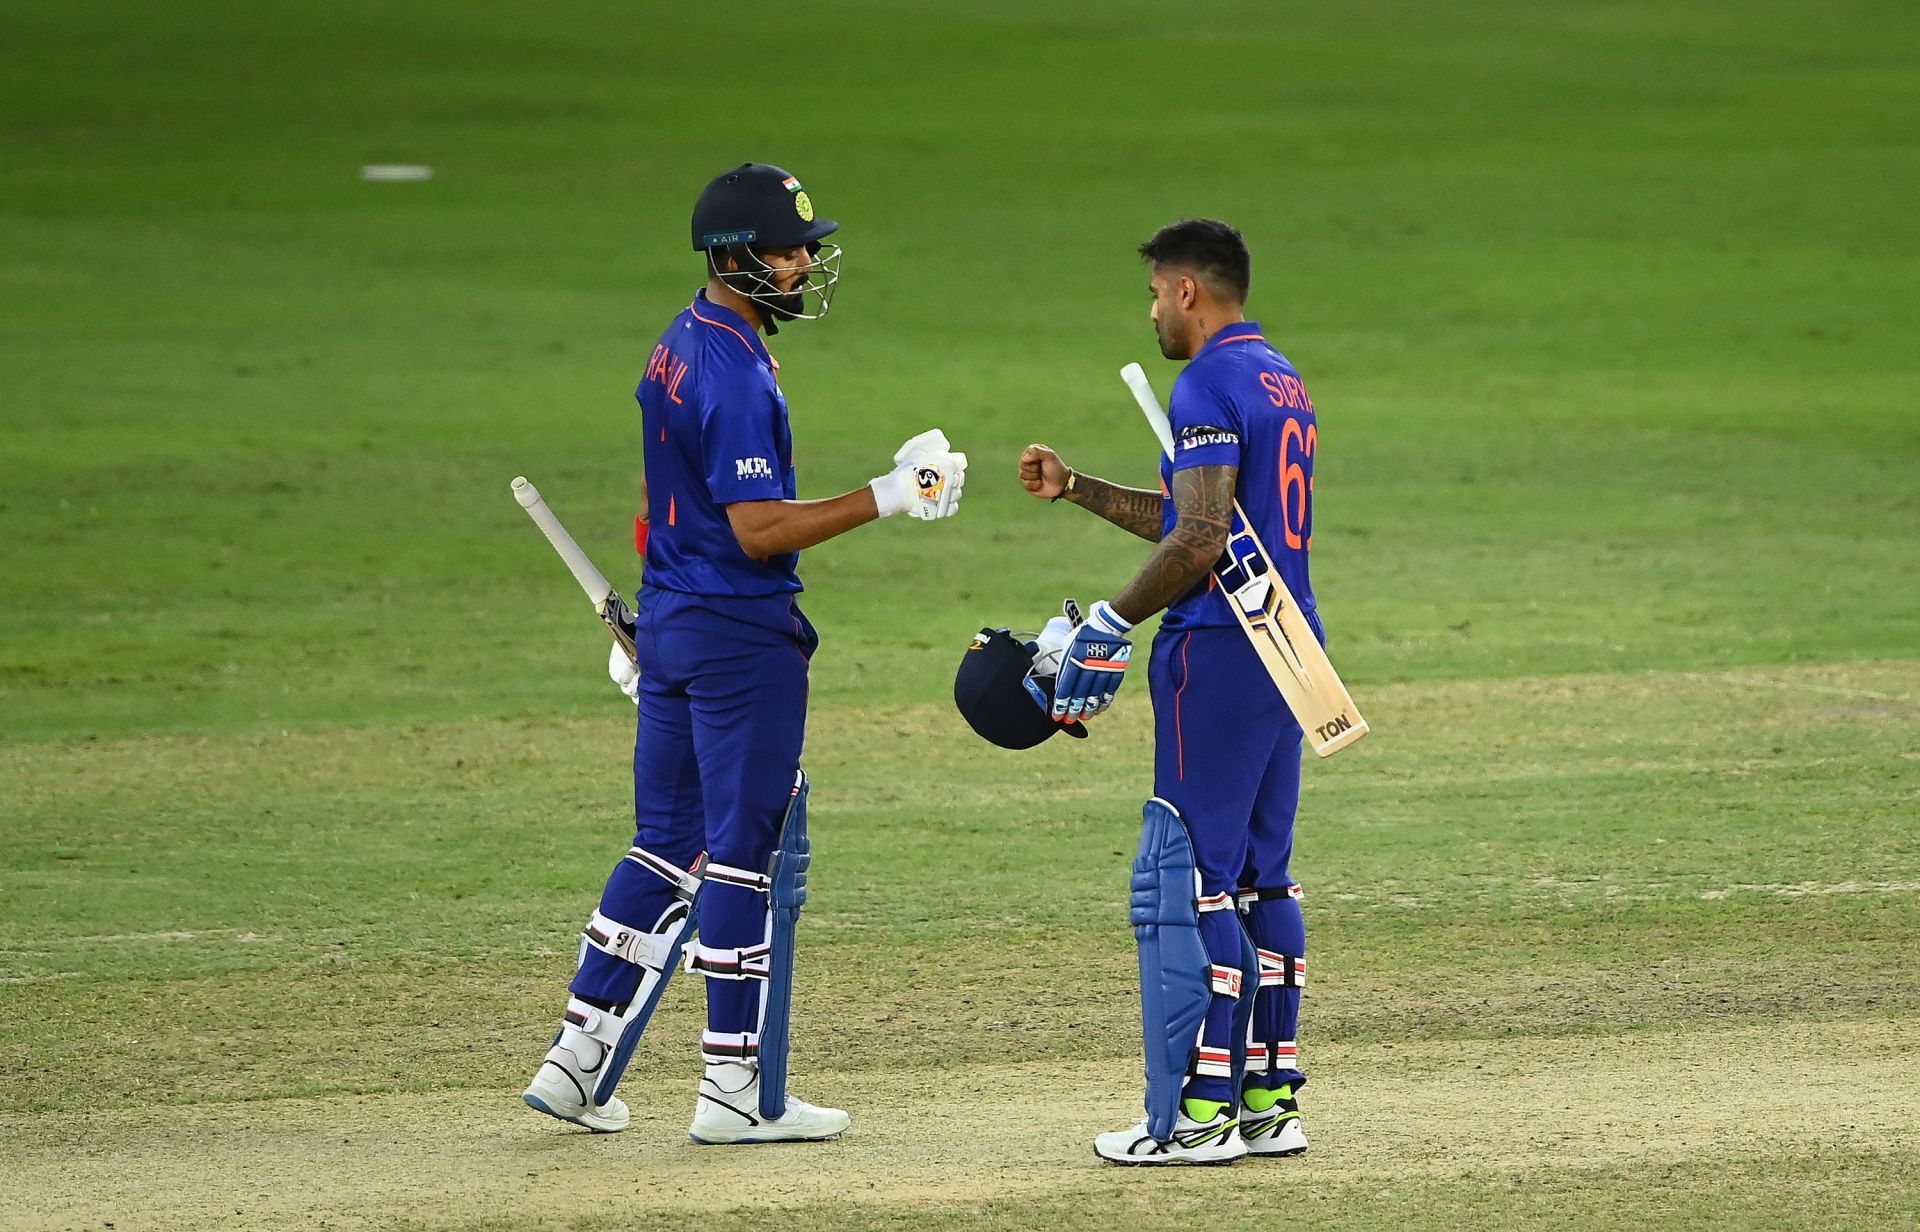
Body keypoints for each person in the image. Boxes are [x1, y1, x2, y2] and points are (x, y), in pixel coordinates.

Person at [523, 162, 968, 1144]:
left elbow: (658, 502)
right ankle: (733, 1088)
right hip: (738, 634)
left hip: (678, 619)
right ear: (733, 257)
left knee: (659, 843)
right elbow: (761, 528)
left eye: (805, 244)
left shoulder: (678, 343)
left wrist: (656, 626)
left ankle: (577, 1056)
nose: (805, 261)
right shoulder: (731, 368)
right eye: (786, 247)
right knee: (739, 856)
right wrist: (897, 492)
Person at [1018, 218, 1318, 1165]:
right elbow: (1205, 519)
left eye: (1154, 292)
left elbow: (1198, 543)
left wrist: (1111, 619)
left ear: (1188, 289)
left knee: (1191, 881)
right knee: (1263, 875)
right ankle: (1268, 1098)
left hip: (1219, 651)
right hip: (1290, 641)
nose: (1150, 309)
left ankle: (1197, 1116)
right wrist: (1079, 489)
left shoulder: (1205, 381)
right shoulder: (1278, 374)